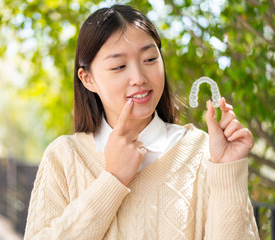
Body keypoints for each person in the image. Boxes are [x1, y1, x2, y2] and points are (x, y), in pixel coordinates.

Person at [24, 4, 260, 240]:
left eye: (149, 59)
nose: (139, 78)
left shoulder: (203, 153)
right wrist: (112, 180)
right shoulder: (63, 156)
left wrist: (227, 170)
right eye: (119, 66)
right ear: (88, 79)